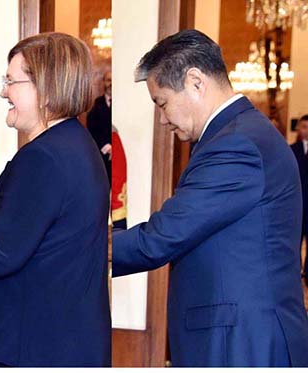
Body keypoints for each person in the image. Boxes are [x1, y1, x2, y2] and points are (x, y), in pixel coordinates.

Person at [112, 29, 308, 367]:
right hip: (240, 338)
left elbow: (161, 237)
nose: (162, 119)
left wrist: (81, 247)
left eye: (162, 103)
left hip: (244, 344)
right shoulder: (239, 134)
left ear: (195, 82)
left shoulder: (236, 144)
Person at [0, 32, 110, 367]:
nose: (3, 91)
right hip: (59, 343)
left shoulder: (45, 157)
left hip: (34, 347)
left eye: (11, 81)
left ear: (44, 89)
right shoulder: (75, 145)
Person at [290, 115, 308, 284]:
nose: (306, 130)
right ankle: (295, 272)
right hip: (297, 203)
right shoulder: (291, 150)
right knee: (295, 239)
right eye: (304, 126)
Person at [87, 70, 113, 178]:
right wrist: (108, 148)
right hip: (102, 156)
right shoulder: (96, 106)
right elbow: (93, 131)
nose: (111, 83)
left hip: (119, 155)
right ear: (103, 82)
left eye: (113, 80)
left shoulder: (123, 105)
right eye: (108, 80)